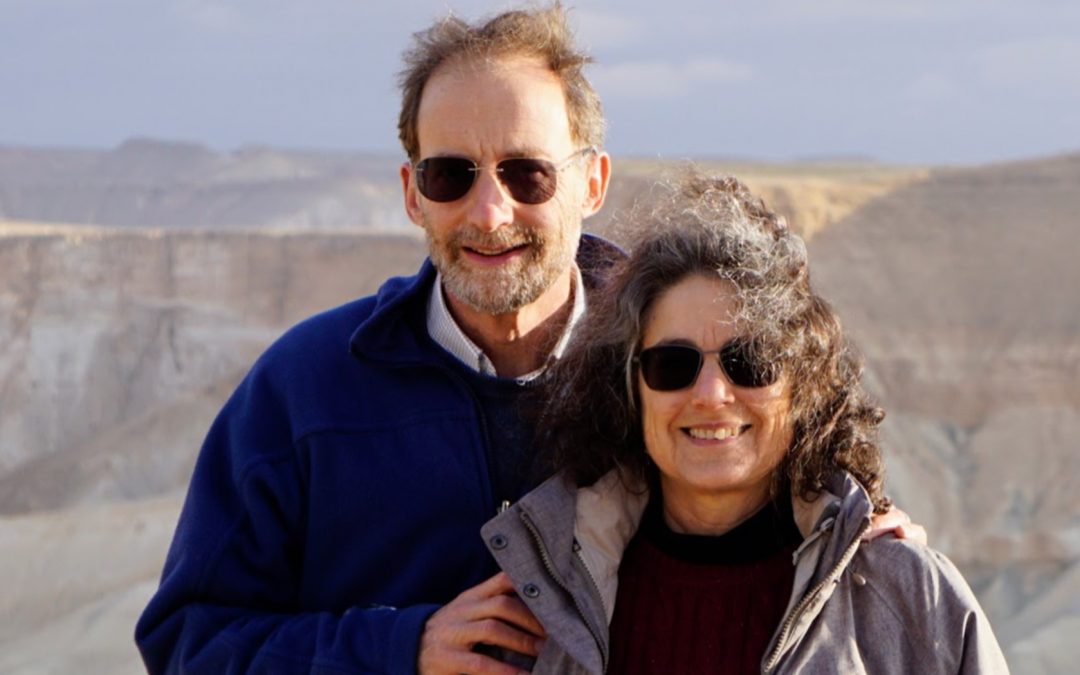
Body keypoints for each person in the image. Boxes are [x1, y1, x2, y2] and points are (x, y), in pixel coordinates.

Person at [135, 5, 921, 674]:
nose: (488, 212)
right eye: (452, 175)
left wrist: (868, 537)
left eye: (526, 174)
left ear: (592, 182)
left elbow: (800, 500)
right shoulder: (304, 391)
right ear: (413, 193)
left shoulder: (678, 367)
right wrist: (397, 646)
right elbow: (186, 642)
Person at [482, 173, 1008, 673]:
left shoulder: (910, 601)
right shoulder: (547, 604)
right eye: (674, 365)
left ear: (802, 386)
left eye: (750, 362)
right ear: (630, 390)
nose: (711, 395)